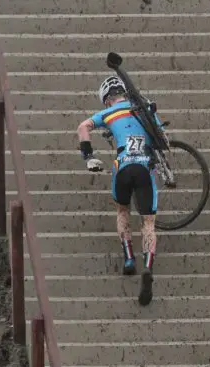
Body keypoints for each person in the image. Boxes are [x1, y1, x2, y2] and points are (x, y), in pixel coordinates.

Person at [76, 75, 161, 306]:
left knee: (123, 211)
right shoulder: (143, 108)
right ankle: (148, 266)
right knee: (148, 222)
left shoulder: (107, 114)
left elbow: (83, 127)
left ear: (106, 100)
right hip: (144, 167)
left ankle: (128, 257)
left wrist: (88, 156)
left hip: (122, 166)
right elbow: (161, 137)